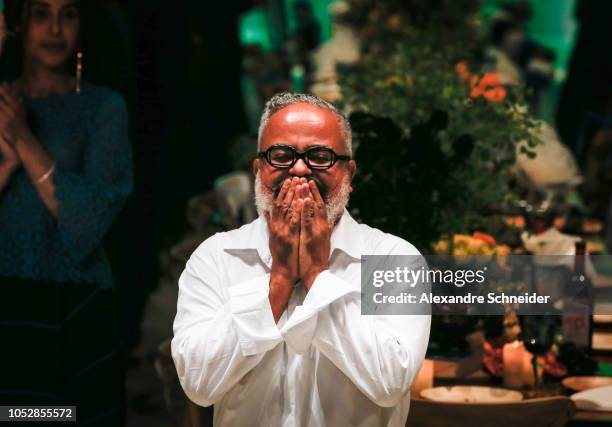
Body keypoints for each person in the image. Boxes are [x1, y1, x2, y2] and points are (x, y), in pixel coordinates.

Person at [172, 92, 431, 426]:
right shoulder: (215, 257)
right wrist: (278, 279)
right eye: (281, 155)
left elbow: (389, 384)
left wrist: (316, 275)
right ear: (258, 169)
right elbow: (199, 386)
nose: (298, 168)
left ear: (348, 173)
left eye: (320, 156)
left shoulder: (396, 259)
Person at [0, 0, 132, 424]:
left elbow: (89, 219)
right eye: (41, 13)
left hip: (74, 306)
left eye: (68, 14)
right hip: (8, 308)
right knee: (20, 417)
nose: (55, 28)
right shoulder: (1, 101)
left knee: (65, 418)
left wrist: (23, 138)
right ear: (20, 23)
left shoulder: (103, 108)